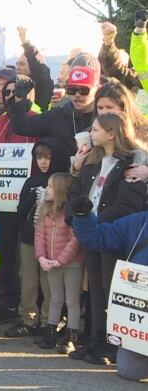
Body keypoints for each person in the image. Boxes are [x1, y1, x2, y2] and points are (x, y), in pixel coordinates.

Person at [66, 112, 148, 364]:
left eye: (96, 130)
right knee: (96, 289)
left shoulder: (130, 163)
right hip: (92, 233)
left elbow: (128, 203)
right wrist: (77, 219)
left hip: (113, 235)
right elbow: (77, 192)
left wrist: (93, 225)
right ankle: (96, 337)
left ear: (112, 133)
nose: (91, 133)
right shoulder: (92, 161)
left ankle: (113, 343)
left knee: (111, 288)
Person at [0, 75, 42, 326]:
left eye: (16, 92)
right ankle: (5, 303)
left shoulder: (39, 122)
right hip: (2, 202)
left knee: (32, 256)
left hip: (31, 201)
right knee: (6, 254)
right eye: (6, 92)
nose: (11, 96)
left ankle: (34, 308)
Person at [70, 198, 148, 382]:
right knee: (128, 369)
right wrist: (83, 217)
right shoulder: (139, 222)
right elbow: (99, 237)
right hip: (140, 315)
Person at [7, 139, 68, 338]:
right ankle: (28, 318)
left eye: (47, 158)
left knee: (49, 283)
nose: (43, 162)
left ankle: (48, 321)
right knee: (28, 281)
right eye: (39, 157)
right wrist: (32, 199)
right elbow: (20, 210)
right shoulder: (31, 181)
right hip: (29, 238)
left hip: (52, 241)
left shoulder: (61, 181)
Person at [33, 172, 82, 353]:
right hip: (51, 263)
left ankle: (71, 337)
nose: (47, 189)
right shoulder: (45, 210)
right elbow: (39, 236)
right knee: (54, 298)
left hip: (71, 265)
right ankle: (51, 332)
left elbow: (75, 240)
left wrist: (59, 261)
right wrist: (41, 257)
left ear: (60, 191)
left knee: (72, 301)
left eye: (51, 186)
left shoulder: (70, 214)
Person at [8, 66, 98, 161]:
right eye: (72, 90)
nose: (77, 95)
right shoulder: (58, 115)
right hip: (63, 173)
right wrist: (19, 99)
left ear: (95, 89)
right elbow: (21, 128)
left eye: (84, 90)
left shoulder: (102, 117)